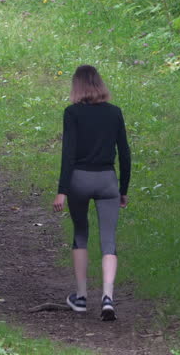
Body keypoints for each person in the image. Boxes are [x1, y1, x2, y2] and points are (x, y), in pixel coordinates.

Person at [52, 65, 131, 322]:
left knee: (81, 233)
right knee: (109, 240)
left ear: (77, 86)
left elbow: (68, 153)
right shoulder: (115, 113)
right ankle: (108, 297)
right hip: (108, 181)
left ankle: (82, 297)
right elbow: (125, 154)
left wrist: (62, 191)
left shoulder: (72, 113)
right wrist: (123, 189)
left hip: (79, 181)